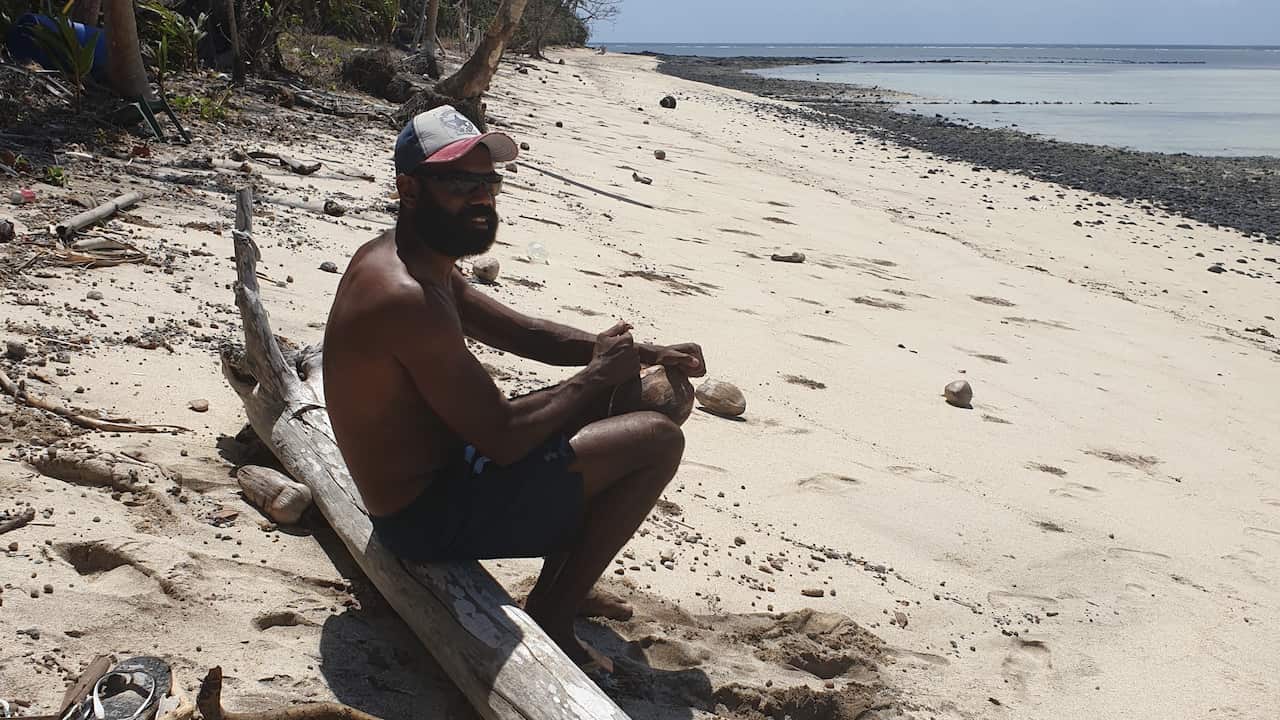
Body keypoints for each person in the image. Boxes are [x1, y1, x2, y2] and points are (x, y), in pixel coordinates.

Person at [323, 105, 705, 673]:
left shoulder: (411, 255)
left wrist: (644, 354)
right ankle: (554, 610)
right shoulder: (404, 297)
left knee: (635, 397)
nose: (481, 198)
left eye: (489, 182)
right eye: (459, 183)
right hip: (424, 515)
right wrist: (599, 372)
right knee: (655, 438)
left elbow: (520, 331)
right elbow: (502, 439)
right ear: (408, 188)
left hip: (454, 464)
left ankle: (571, 562)